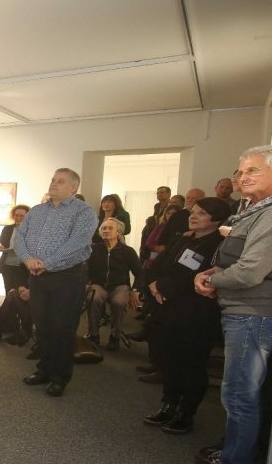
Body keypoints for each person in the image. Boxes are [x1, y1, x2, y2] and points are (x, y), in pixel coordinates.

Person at [188, 145, 272, 464]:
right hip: (244, 311)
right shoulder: (260, 209)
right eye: (241, 171)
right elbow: (235, 260)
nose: (243, 177)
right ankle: (232, 450)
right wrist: (212, 272)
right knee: (237, 392)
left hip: (254, 314)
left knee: (239, 394)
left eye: (253, 170)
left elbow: (251, 271)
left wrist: (211, 280)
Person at [142, 197, 229, 434]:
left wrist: (163, 286)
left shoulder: (219, 245)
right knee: (169, 362)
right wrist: (153, 284)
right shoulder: (184, 238)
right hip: (168, 310)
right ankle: (168, 405)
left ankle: (186, 413)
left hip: (196, 314)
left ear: (216, 219)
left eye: (201, 213)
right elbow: (158, 265)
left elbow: (198, 276)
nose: (193, 216)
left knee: (191, 365)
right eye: (193, 211)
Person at [16, 168, 98, 397]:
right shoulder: (36, 211)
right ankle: (44, 369)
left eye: (60, 181)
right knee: (42, 326)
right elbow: (20, 237)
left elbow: (77, 244)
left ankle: (59, 377)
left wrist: (47, 263)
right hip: (37, 276)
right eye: (53, 180)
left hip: (67, 277)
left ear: (73, 187)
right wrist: (28, 259)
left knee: (62, 328)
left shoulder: (84, 212)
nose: (53, 184)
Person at [85, 217, 143, 350]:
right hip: (99, 285)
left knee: (119, 302)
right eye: (104, 228)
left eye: (110, 228)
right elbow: (85, 269)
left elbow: (140, 273)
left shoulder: (128, 251)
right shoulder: (94, 249)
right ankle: (94, 335)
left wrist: (135, 290)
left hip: (119, 286)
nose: (106, 230)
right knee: (93, 298)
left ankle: (115, 336)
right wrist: (85, 282)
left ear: (119, 232)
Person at [0, 204, 31, 342]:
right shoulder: (8, 228)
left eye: (22, 215)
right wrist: (0, 246)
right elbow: (0, 243)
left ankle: (22, 328)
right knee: (9, 294)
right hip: (8, 265)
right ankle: (11, 325)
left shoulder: (32, 231)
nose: (18, 218)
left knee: (19, 296)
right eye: (16, 215)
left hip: (23, 267)